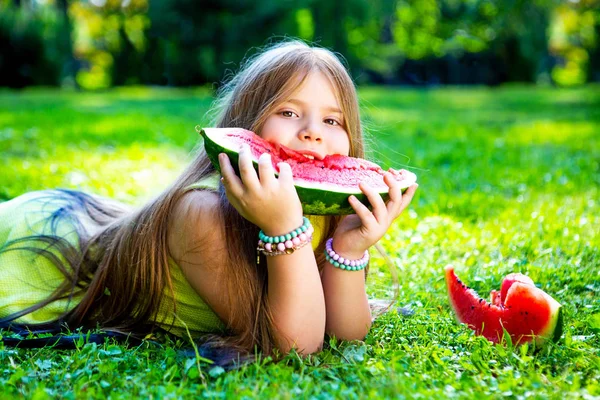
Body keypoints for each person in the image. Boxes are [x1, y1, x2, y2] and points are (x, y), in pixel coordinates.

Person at [0, 39, 418, 356]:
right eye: (288, 112)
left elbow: (344, 334)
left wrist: (348, 246)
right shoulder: (200, 211)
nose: (312, 131)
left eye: (332, 120)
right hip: (45, 245)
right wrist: (285, 227)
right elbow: (297, 346)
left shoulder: (323, 207)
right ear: (246, 121)